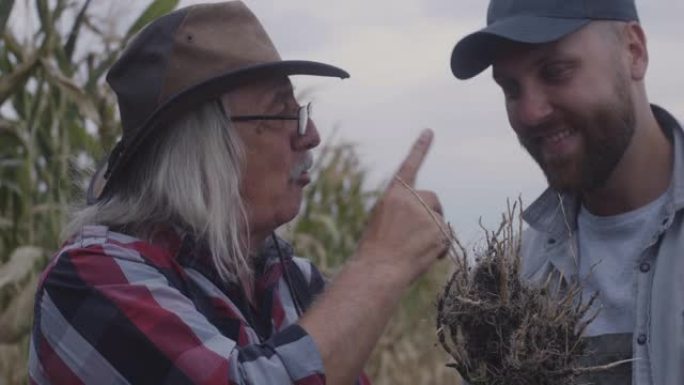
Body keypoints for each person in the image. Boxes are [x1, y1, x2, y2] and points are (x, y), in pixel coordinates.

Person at [28, 2, 449, 384]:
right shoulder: (89, 281)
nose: (312, 137)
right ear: (201, 147)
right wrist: (379, 265)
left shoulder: (294, 282)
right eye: (283, 112)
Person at [450, 0, 683, 384]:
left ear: (633, 52)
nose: (529, 112)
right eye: (511, 89)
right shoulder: (516, 282)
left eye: (555, 72)